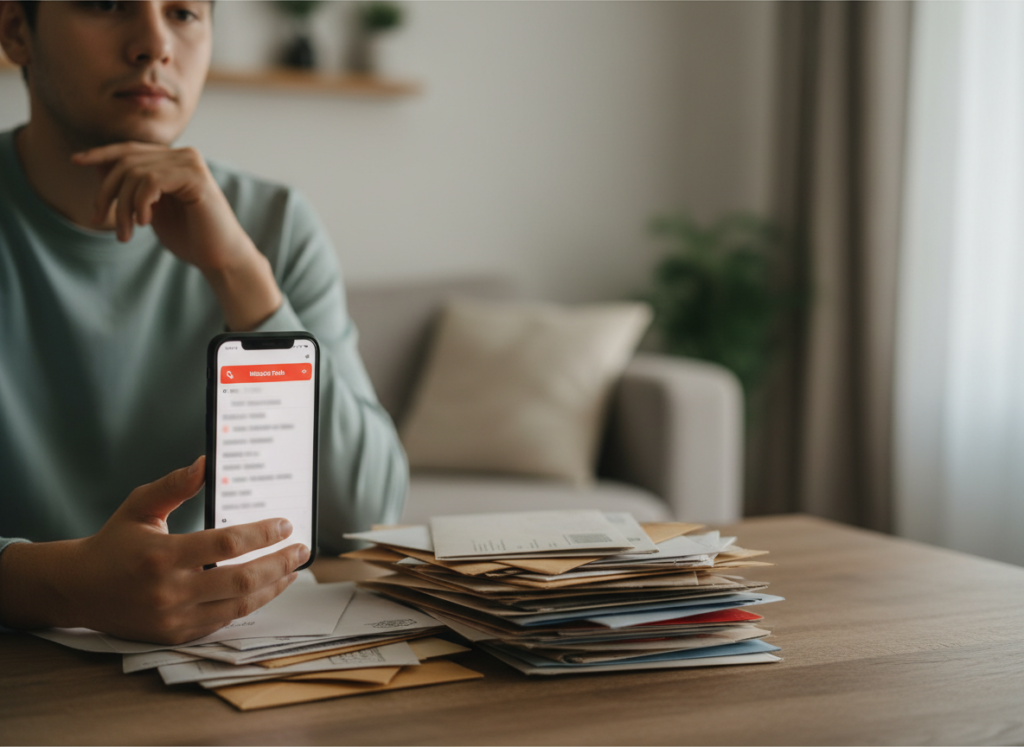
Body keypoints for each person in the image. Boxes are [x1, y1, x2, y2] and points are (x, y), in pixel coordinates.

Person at [0, 0, 407, 645]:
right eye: (105, 3)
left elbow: (367, 515)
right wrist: (61, 584)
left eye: (184, 12)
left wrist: (239, 271)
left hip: (225, 655)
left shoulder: (273, 223)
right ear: (16, 30)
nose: (155, 44)